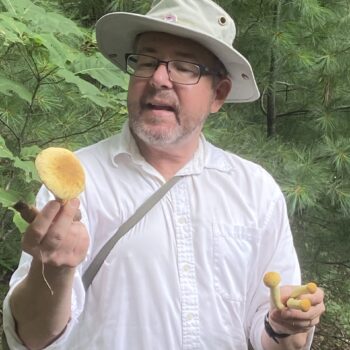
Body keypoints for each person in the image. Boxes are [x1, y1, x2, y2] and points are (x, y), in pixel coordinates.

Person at [2, 0, 325, 349]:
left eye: (185, 67)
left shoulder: (254, 190)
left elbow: (276, 338)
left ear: (219, 94)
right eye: (146, 61)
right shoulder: (78, 183)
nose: (158, 78)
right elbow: (31, 339)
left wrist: (285, 325)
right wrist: (55, 270)